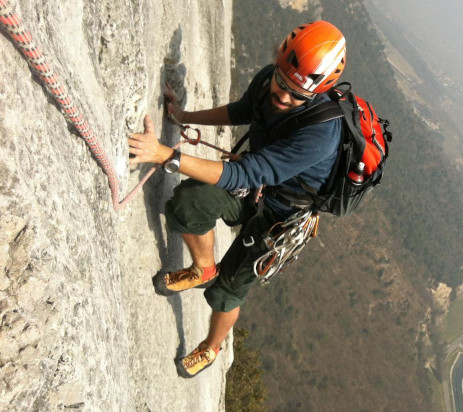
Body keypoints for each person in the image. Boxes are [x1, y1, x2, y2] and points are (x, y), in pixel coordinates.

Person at [128, 20, 347, 378]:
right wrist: (183, 116)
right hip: (254, 188)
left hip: (282, 216)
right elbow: (243, 110)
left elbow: (244, 173)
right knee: (188, 203)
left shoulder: (320, 134)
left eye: (297, 95)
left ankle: (210, 349)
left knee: (227, 290)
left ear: (317, 94)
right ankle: (202, 268)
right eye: (283, 82)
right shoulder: (268, 79)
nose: (284, 96)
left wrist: (166, 154)